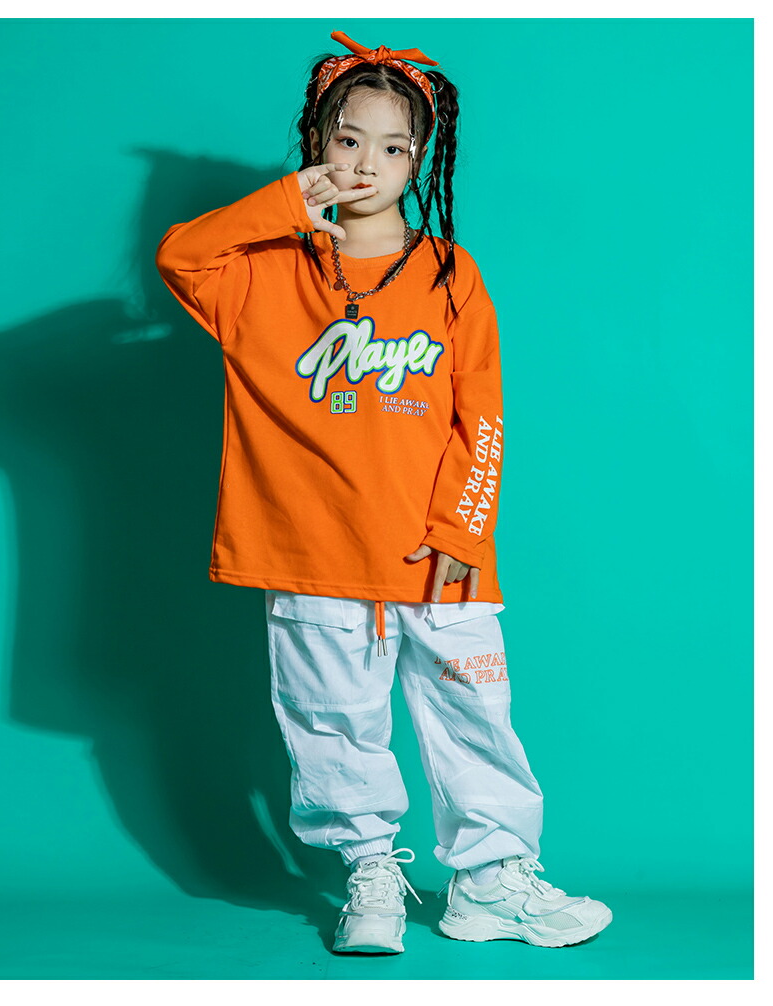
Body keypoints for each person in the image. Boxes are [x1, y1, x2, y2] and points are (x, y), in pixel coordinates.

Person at [155, 29, 612, 956]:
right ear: (316, 143)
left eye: (394, 147)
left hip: (441, 556)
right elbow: (180, 256)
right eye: (348, 139)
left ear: (419, 160)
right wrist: (288, 204)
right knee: (333, 729)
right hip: (313, 556)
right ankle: (369, 876)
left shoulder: (450, 274)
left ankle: (491, 884)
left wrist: (462, 532)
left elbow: (481, 419)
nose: (367, 164)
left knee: (476, 720)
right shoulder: (260, 274)